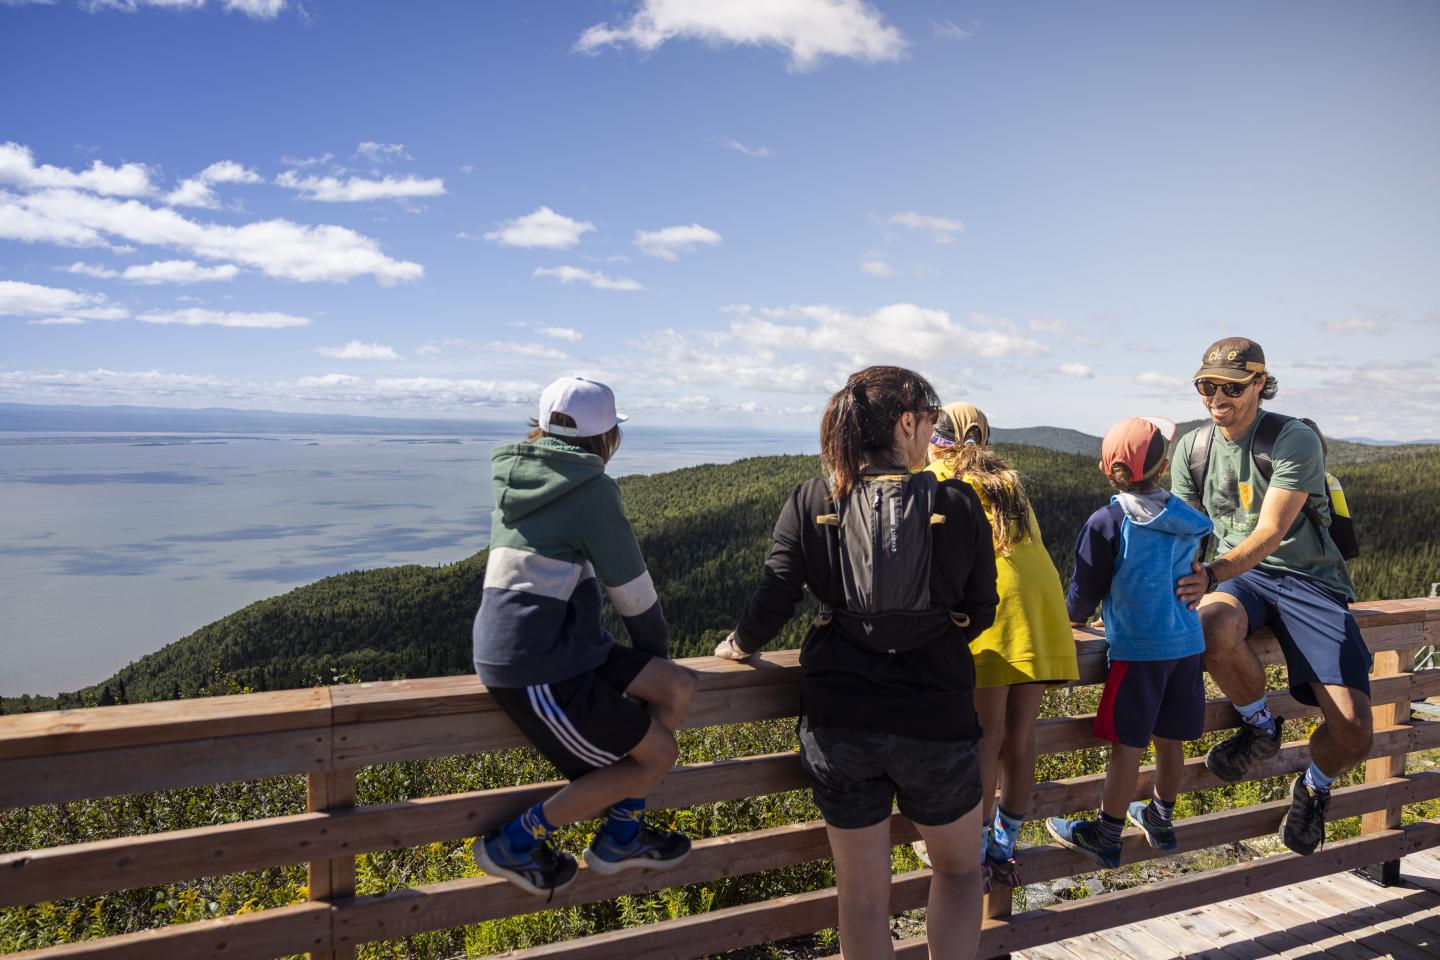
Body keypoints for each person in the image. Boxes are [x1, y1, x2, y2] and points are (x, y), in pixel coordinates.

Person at [715, 366, 998, 960]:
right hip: (935, 716)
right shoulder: (956, 500)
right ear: (906, 422)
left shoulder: (813, 499)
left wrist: (738, 646)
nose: (932, 434)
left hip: (839, 718)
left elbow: (775, 595)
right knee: (957, 871)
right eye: (929, 422)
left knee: (863, 897)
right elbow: (982, 607)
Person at [471, 376, 699, 895]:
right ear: (608, 438)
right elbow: (634, 596)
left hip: (564, 644)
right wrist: (645, 665)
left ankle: (622, 832)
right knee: (657, 755)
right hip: (534, 662)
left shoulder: (521, 478)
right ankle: (514, 843)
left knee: (677, 687)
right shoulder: (591, 489)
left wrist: (647, 678)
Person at [1172, 338, 1371, 856]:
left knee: (1353, 730)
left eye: (1232, 387)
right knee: (1212, 628)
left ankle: (1313, 786)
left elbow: (1270, 529)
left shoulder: (1292, 439)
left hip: (1309, 579)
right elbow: (1182, 533)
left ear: (1260, 383)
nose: (1218, 397)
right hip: (1242, 579)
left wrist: (1212, 573)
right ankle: (1261, 727)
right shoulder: (1193, 450)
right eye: (1207, 385)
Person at [917, 402, 1079, 886]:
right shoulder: (1007, 479)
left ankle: (977, 843)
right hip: (1041, 612)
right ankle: (1005, 838)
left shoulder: (935, 477)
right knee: (1020, 735)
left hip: (993, 613)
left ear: (933, 436)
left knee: (985, 737)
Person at [1046, 416, 1212, 868]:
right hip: (1186, 643)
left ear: (1106, 470)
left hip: (1138, 650)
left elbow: (1084, 590)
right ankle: (1160, 816)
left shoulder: (1108, 521)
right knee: (1169, 739)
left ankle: (1106, 832)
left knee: (1127, 746)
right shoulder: (1185, 518)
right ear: (1162, 469)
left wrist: (1070, 621)